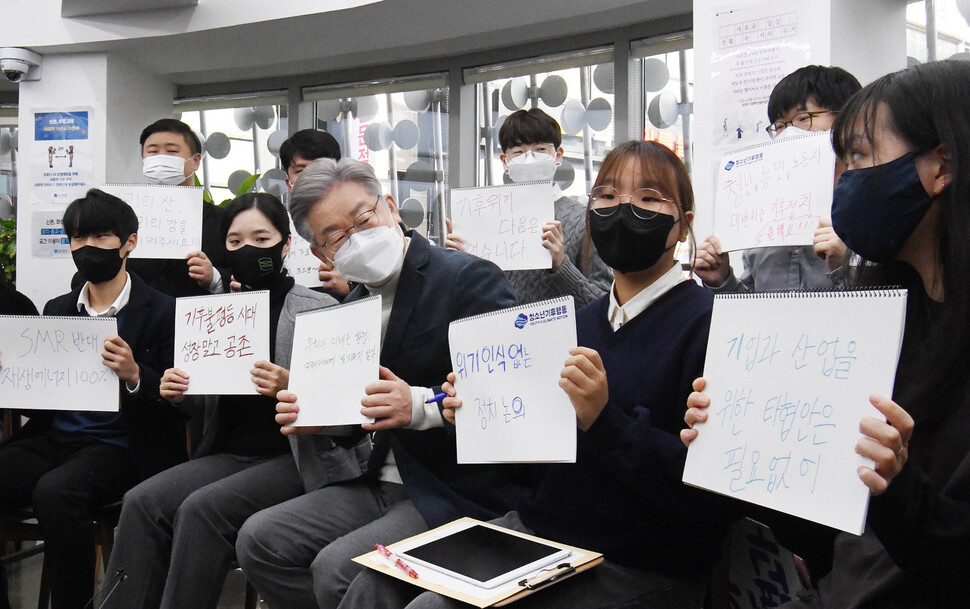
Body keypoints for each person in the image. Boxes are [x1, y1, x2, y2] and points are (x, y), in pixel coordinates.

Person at [340, 141, 736, 609]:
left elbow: (710, 496)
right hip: (544, 533)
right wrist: (477, 411)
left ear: (683, 224)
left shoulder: (711, 325)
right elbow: (533, 463)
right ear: (589, 216)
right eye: (606, 196)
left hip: (640, 559)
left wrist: (604, 420)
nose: (623, 209)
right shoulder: (575, 323)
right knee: (370, 586)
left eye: (649, 198)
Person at [684, 59, 970, 607]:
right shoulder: (897, 325)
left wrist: (897, 488)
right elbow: (841, 528)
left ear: (942, 166)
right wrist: (742, 438)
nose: (845, 181)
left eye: (860, 157)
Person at [234, 158, 527, 609]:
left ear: (390, 207)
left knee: (336, 569)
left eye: (364, 219)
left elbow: (509, 398)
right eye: (335, 236)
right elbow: (359, 417)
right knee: (260, 540)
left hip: (450, 483)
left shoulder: (465, 277)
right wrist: (323, 419)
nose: (356, 238)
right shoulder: (349, 307)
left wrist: (420, 407)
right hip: (376, 478)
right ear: (320, 254)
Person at [98, 193, 341, 609]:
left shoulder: (317, 308)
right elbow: (202, 405)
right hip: (229, 454)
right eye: (234, 242)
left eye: (261, 238)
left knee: (200, 509)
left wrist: (292, 383)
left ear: (285, 245)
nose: (247, 250)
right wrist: (178, 391)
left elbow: (343, 405)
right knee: (141, 501)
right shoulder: (214, 312)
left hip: (296, 458)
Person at [0, 189, 185, 609]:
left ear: (128, 243)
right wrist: (12, 379)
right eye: (77, 238)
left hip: (123, 444)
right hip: (57, 439)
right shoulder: (59, 307)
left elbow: (179, 402)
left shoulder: (163, 311)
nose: (87, 248)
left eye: (101, 237)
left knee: (56, 493)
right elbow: (44, 399)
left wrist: (136, 374)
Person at [694, 65, 861, 292]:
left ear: (846, 119)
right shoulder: (762, 209)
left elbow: (892, 303)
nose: (789, 133)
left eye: (804, 118)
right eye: (780, 125)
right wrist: (722, 281)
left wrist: (847, 264)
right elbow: (752, 310)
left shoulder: (868, 202)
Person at [445, 108, 612, 308]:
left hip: (561, 338)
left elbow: (602, 303)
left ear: (557, 155)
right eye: (518, 152)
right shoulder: (484, 218)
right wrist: (455, 262)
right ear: (505, 161)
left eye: (540, 150)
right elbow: (464, 299)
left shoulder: (584, 220)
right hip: (498, 337)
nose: (530, 158)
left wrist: (561, 264)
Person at [127, 118, 229, 298]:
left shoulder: (222, 220)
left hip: (197, 318)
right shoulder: (125, 219)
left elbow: (242, 272)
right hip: (140, 320)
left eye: (172, 151)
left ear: (196, 161)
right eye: (153, 151)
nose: (161, 158)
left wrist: (214, 278)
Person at [279, 129, 353, 299]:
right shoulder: (276, 227)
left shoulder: (363, 222)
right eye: (300, 171)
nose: (311, 177)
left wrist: (352, 286)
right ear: (289, 183)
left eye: (321, 168)